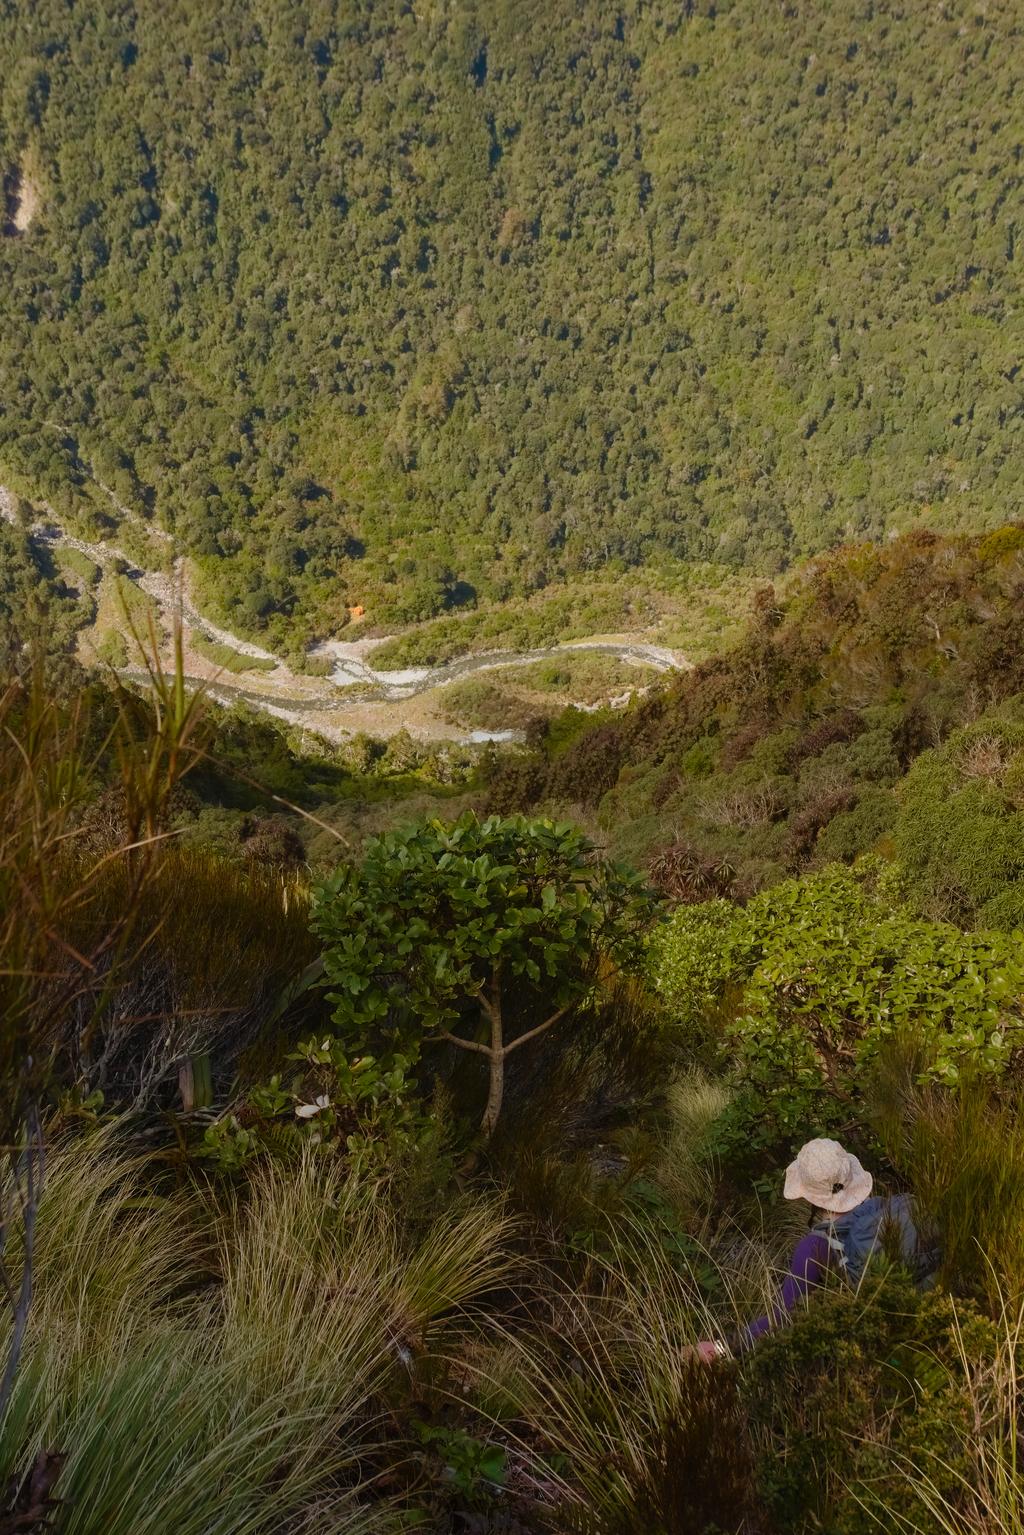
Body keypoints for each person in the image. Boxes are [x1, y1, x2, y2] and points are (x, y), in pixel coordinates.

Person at [693, 1137, 933, 1362]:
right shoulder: (891, 1211)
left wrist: (719, 1348)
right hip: (929, 1332)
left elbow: (780, 1319)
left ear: (808, 1195)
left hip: (874, 1354)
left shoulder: (815, 1247)